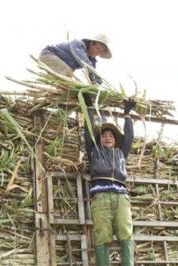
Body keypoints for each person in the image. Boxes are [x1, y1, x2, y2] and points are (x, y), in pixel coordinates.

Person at [83, 94, 136, 266]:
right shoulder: (94, 152)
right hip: (101, 197)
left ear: (115, 140)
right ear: (99, 140)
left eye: (111, 136)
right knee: (102, 236)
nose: (107, 137)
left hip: (121, 197)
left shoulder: (121, 152)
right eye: (104, 135)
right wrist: (90, 108)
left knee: (126, 234)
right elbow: (88, 132)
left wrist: (127, 114)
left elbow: (129, 137)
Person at [39, 33, 112, 84]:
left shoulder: (91, 61)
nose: (98, 53)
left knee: (64, 81)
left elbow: (93, 76)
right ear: (92, 43)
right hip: (48, 54)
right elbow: (84, 62)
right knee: (68, 76)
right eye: (98, 49)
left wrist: (98, 86)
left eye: (101, 52)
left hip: (61, 66)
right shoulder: (78, 45)